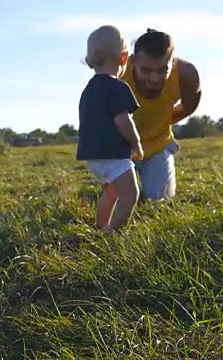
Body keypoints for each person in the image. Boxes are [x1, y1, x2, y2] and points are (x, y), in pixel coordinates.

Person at [120, 28, 202, 200]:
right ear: (132, 61)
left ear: (173, 62)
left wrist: (163, 123)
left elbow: (188, 106)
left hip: (157, 145)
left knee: (159, 198)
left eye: (162, 70)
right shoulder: (117, 75)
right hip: (119, 149)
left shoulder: (187, 76)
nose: (154, 78)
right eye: (146, 70)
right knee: (120, 198)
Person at [76, 25, 144, 234]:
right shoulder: (118, 87)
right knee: (130, 196)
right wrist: (136, 143)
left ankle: (101, 226)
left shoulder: (88, 89)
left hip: (93, 157)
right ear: (124, 58)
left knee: (112, 193)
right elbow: (123, 120)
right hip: (113, 156)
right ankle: (111, 232)